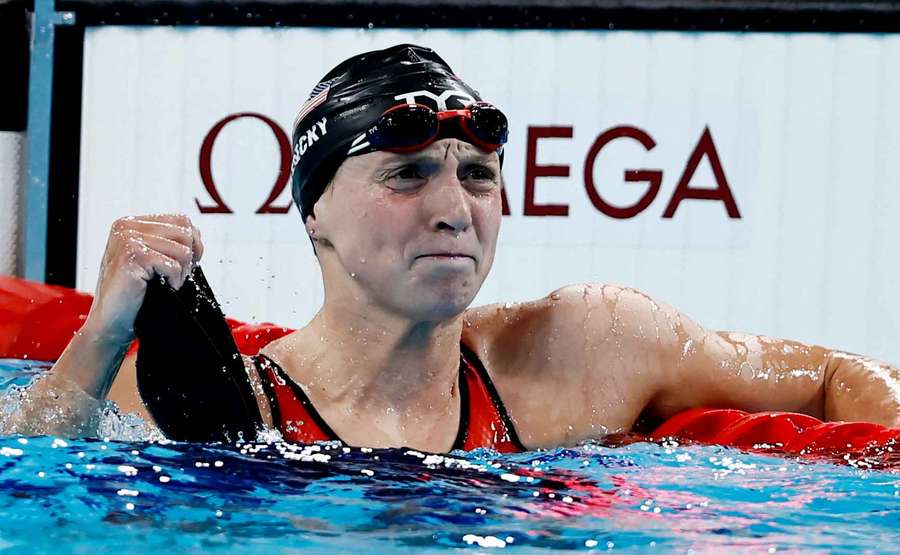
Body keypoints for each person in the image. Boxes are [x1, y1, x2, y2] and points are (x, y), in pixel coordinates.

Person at [12, 44, 900, 451]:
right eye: (406, 177)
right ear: (313, 214)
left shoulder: (590, 348)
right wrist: (97, 337)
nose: (453, 209)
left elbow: (831, 378)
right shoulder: (211, 402)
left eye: (477, 175)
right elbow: (36, 472)